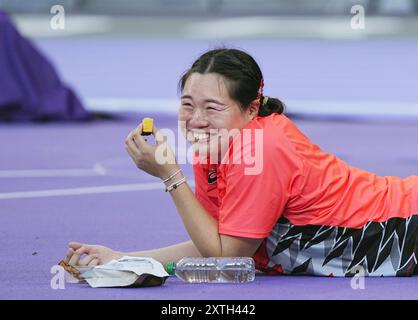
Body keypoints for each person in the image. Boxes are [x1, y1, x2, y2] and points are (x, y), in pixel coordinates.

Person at [63, 48, 418, 277]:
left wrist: (170, 175)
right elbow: (217, 242)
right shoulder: (214, 148)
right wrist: (123, 259)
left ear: (251, 109)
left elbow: (226, 258)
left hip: (406, 226)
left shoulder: (261, 147)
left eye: (211, 107)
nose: (196, 119)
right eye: (187, 104)